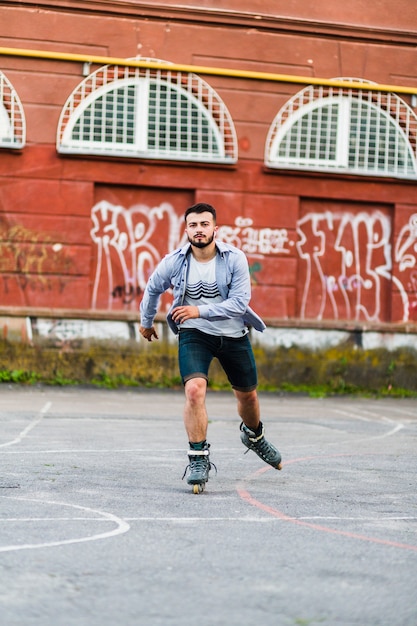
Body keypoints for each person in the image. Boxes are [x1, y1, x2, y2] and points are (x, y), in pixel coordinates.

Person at [139, 202, 282, 491]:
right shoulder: (175, 261)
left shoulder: (234, 259)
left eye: (204, 224)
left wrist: (198, 311)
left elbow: (240, 304)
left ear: (215, 228)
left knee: (249, 399)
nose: (199, 230)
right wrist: (146, 320)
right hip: (195, 334)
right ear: (187, 230)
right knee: (194, 391)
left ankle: (254, 435)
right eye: (193, 225)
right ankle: (198, 457)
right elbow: (153, 286)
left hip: (233, 334)